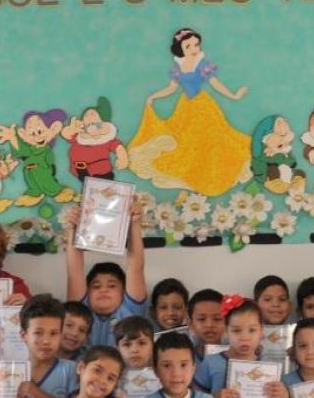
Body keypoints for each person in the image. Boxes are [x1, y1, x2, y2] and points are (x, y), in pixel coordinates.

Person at [128, 27, 251, 197]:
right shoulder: (178, 68)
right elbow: (171, 88)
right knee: (186, 140)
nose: (194, 49)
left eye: (196, 44)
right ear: (181, 49)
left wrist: (233, 95)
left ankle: (211, 172)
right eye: (188, 46)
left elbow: (215, 84)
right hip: (185, 107)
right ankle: (196, 171)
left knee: (212, 137)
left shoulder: (203, 64)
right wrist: (153, 96)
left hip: (203, 106)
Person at [65, 200, 148, 348]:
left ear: (124, 292)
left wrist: (134, 224)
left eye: (112, 286)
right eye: (96, 286)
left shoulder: (131, 310)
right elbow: (74, 271)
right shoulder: (81, 310)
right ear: (87, 292)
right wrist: (74, 228)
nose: (103, 290)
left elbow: (136, 268)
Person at [187, 288, 225, 358]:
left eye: (217, 319)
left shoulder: (238, 356)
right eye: (201, 319)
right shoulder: (183, 357)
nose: (209, 325)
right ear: (191, 324)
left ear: (228, 322)